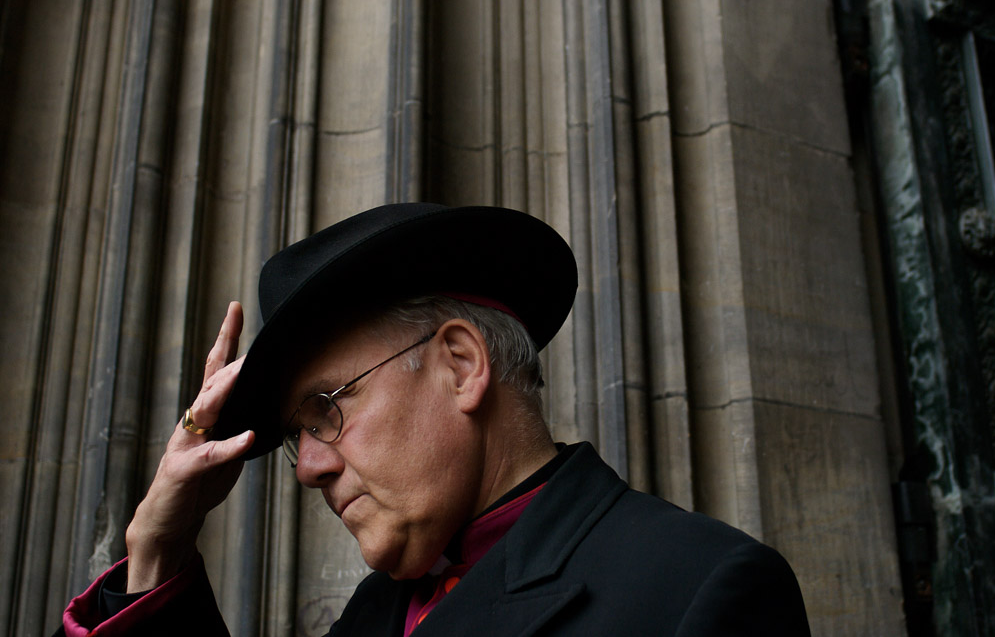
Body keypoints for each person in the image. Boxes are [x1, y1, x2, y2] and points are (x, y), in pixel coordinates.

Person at [58, 203, 810, 636]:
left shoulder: (699, 592)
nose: (309, 468)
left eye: (326, 409)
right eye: (295, 436)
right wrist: (157, 549)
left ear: (460, 364)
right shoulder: (378, 615)